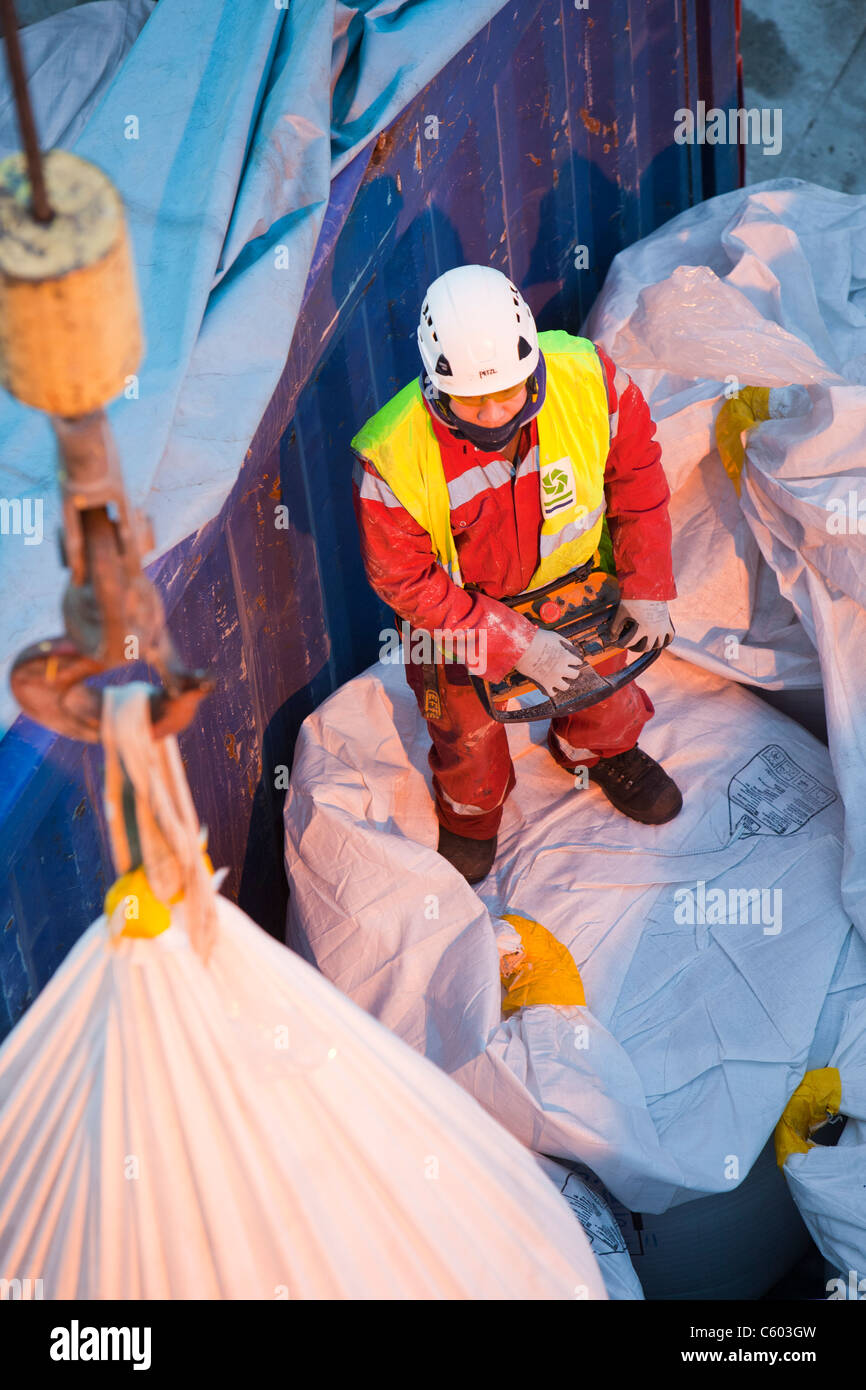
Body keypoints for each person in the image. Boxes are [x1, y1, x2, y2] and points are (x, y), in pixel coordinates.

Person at [351, 264, 681, 884]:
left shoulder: (591, 378)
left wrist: (647, 585)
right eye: (473, 401)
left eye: (511, 390)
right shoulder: (391, 454)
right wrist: (513, 644)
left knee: (605, 692)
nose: (496, 412)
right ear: (434, 385)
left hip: (575, 583)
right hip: (453, 620)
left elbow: (637, 478)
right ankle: (472, 815)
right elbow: (404, 580)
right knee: (465, 738)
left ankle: (598, 749)